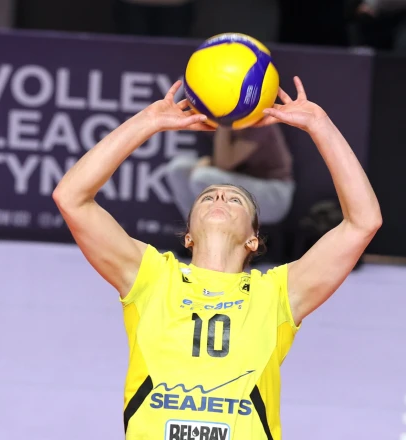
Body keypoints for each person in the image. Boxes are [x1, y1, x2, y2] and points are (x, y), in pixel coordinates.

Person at [52, 77, 382, 440]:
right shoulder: (152, 277)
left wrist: (320, 125)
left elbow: (363, 222)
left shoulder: (277, 294)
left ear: (253, 239)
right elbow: (71, 197)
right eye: (207, 197)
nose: (220, 197)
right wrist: (147, 122)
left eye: (235, 199)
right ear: (188, 236)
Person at [165, 125, 295, 226]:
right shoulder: (209, 117)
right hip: (237, 181)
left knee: (202, 178)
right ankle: (197, 235)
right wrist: (210, 161)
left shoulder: (259, 120)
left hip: (273, 193)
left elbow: (224, 164)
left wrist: (224, 122)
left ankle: (224, 241)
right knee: (178, 170)